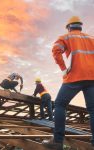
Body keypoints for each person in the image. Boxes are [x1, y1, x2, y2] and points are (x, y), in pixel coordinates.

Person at [43, 16, 94, 149]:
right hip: (92, 78)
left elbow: (56, 51)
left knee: (60, 104)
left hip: (74, 77)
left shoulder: (66, 37)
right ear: (80, 26)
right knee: (93, 110)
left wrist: (63, 69)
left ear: (69, 27)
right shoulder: (91, 38)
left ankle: (57, 141)